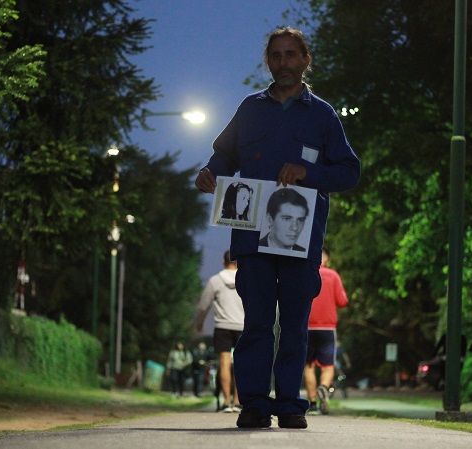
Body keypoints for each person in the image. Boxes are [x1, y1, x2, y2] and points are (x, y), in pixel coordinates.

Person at [195, 26, 360, 429]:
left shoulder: (322, 114)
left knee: (293, 325)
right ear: (268, 62)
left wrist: (309, 172)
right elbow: (224, 155)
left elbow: (349, 172)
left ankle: (289, 403)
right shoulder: (250, 109)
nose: (283, 62)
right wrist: (210, 172)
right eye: (276, 55)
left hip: (300, 241)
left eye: (291, 55)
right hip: (251, 238)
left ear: (305, 60)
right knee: (256, 323)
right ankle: (253, 403)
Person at [194, 251, 245, 413]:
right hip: (243, 325)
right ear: (238, 262)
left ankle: (226, 402)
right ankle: (238, 401)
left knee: (224, 362)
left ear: (223, 261)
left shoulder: (215, 281)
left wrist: (199, 323)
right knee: (241, 364)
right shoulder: (246, 279)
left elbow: (203, 306)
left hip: (223, 326)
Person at [304, 247, 348, 415]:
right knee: (328, 365)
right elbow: (343, 301)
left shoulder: (305, 275)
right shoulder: (333, 275)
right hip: (328, 328)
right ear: (327, 259)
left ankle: (313, 403)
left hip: (307, 326)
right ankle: (323, 388)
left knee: (308, 366)